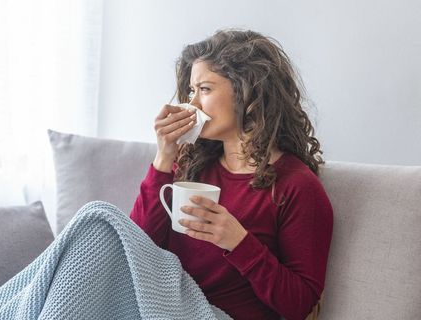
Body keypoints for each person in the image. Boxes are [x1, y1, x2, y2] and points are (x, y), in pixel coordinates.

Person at [130, 29, 333, 320]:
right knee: (95, 221)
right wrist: (164, 156)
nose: (193, 104)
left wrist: (238, 241)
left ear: (248, 90)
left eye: (205, 89)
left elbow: (300, 304)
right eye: (191, 91)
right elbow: (135, 248)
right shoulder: (192, 165)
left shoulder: (297, 187)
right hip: (164, 307)